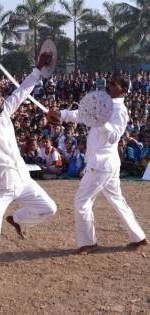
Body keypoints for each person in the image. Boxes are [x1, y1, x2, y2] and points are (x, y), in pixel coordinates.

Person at [0, 52, 57, 286]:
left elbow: (22, 91)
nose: (2, 97)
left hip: (23, 180)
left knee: (49, 209)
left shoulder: (4, 114)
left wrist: (37, 69)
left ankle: (17, 219)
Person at [47, 73, 147, 254]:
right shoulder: (104, 103)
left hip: (101, 164)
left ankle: (88, 242)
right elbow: (82, 114)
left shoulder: (119, 110)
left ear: (123, 90)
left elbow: (114, 136)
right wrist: (60, 114)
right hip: (105, 163)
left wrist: (100, 120)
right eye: (109, 83)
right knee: (117, 200)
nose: (108, 86)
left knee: (82, 202)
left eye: (113, 84)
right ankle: (138, 237)